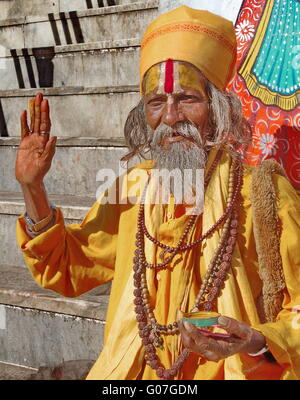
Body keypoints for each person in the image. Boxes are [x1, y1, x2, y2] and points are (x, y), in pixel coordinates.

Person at [15, 6, 300, 380]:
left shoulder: (266, 195)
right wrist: (33, 188)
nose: (170, 118)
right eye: (155, 103)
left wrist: (257, 341)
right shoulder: (133, 189)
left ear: (219, 108)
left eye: (187, 99)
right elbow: (69, 267)